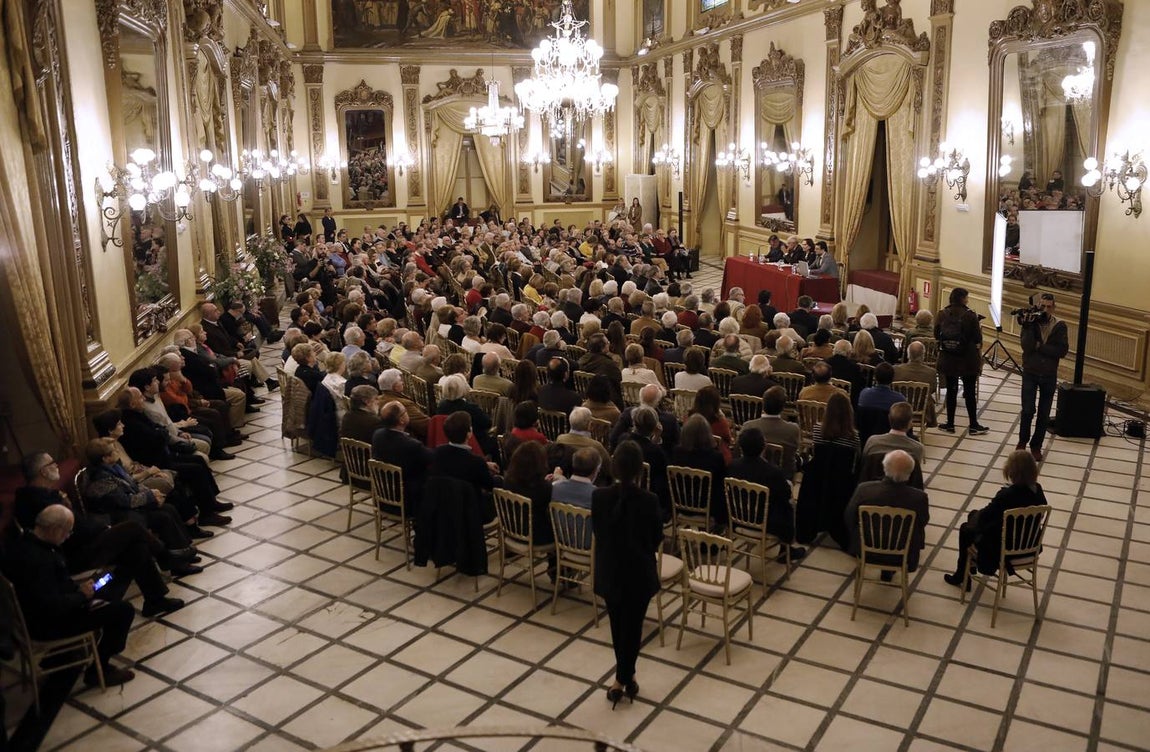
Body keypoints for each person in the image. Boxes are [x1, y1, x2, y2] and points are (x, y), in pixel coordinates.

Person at [2, 505, 158, 687]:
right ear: (54, 529)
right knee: (123, 611)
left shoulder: (26, 543)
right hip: (48, 624)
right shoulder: (39, 561)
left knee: (108, 589)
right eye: (67, 532)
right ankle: (98, 670)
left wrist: (80, 590)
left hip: (45, 610)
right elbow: (52, 605)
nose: (67, 537)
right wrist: (81, 596)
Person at [592, 441, 662, 708]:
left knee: (620, 625)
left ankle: (623, 677)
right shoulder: (649, 501)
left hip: (610, 570)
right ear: (638, 471)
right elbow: (656, 538)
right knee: (630, 629)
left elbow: (599, 532)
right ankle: (624, 678)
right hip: (638, 573)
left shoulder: (599, 496)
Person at [944, 450, 1048, 589]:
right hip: (1029, 545)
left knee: (966, 528)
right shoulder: (1038, 490)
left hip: (1004, 547)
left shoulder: (1007, 494)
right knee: (973, 516)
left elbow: (986, 516)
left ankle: (962, 574)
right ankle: (969, 568)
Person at [844, 450, 930, 575]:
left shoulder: (864, 489)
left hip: (864, 549)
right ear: (911, 472)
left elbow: (849, 517)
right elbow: (923, 521)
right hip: (903, 554)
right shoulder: (919, 498)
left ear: (884, 468)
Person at [726, 427, 804, 561]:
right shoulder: (772, 472)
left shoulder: (732, 466)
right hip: (766, 522)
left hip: (737, 517)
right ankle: (786, 549)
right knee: (789, 505)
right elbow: (785, 495)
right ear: (763, 447)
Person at [1017, 293, 1068, 462]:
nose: (1045, 310)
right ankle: (1022, 442)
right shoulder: (1030, 322)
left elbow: (1061, 351)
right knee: (1027, 409)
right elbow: (1026, 346)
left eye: (1048, 307)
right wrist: (1029, 326)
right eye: (1042, 306)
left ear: (1053, 308)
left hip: (1048, 374)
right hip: (1030, 371)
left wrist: (1040, 347)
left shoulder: (1060, 326)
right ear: (1038, 306)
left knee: (1044, 413)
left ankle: (1036, 446)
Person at [934, 287, 989, 435]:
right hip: (967, 359)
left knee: (951, 392)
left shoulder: (942, 314)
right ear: (963, 299)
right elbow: (977, 338)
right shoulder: (970, 315)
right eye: (966, 297)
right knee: (969, 392)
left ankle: (950, 424)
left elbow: (936, 335)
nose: (968, 300)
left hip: (948, 358)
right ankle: (973, 425)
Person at [371, 401, 432, 514]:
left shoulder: (377, 435)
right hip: (408, 501)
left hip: (383, 496)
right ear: (401, 420)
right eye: (405, 411)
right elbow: (432, 458)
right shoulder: (411, 445)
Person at [742, 386, 801, 480]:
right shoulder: (793, 429)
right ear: (782, 407)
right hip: (783, 477)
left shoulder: (748, 426)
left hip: (751, 475)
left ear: (763, 404)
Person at [863, 402, 925, 469]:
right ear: (910, 423)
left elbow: (864, 465)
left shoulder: (872, 441)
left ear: (889, 419)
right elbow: (915, 474)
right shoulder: (917, 448)